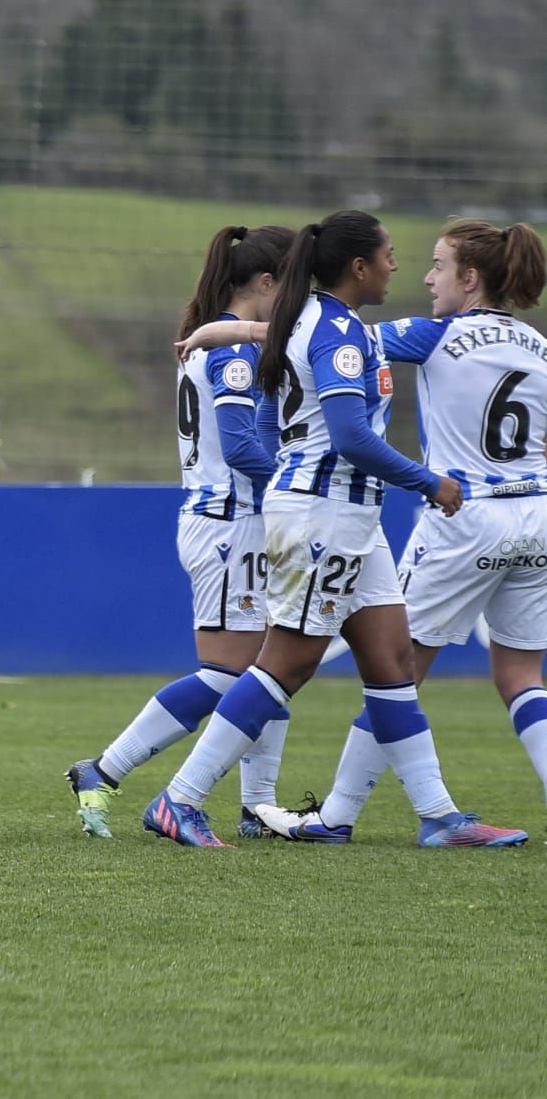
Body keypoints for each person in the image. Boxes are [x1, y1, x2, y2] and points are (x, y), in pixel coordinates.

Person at [144, 209, 526, 848]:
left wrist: (228, 330)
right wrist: (427, 480)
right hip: (325, 512)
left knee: (391, 659)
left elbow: (282, 383)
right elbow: (349, 435)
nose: (397, 266)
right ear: (359, 267)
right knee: (286, 665)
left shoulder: (334, 326)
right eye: (389, 255)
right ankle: (177, 800)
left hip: (351, 516)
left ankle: (438, 817)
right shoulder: (337, 333)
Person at [65, 225, 300, 839]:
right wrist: (302, 483)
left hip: (236, 521)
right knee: (231, 675)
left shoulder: (219, 341)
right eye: (291, 285)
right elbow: (245, 449)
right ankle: (104, 770)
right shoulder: (229, 354)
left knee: (272, 666)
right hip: (229, 523)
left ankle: (258, 807)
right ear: (266, 283)